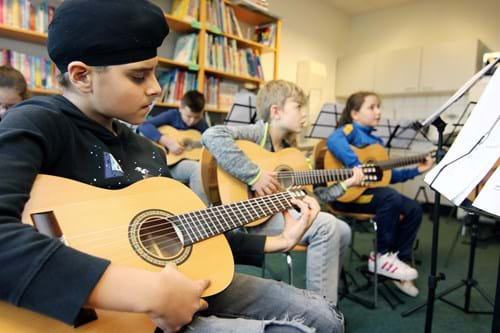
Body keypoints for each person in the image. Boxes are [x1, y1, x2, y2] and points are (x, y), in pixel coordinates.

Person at [0, 1, 345, 332]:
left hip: (176, 284)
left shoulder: (146, 150)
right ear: (81, 75)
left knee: (323, 316)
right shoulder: (36, 123)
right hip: (99, 315)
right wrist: (144, 292)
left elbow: (179, 231)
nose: (154, 88)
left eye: (155, 73)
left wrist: (277, 241)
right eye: (138, 76)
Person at [202, 79, 364, 306]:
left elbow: (315, 199)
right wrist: (254, 176)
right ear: (276, 111)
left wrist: (346, 185)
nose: (304, 114)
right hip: (252, 218)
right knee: (327, 224)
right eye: (298, 107)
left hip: (281, 214)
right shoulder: (255, 134)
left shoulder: (291, 152)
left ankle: (319, 291)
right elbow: (212, 135)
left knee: (344, 229)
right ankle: (323, 309)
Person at [320, 91, 433, 297]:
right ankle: (381, 256)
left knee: (414, 209)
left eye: (379, 107)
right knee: (389, 197)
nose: (378, 112)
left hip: (371, 195)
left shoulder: (377, 143)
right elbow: (334, 139)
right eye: (371, 107)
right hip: (347, 196)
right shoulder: (351, 130)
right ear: (354, 114)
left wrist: (417, 170)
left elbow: (386, 177)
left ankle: (399, 262)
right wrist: (357, 166)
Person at [138, 90, 208, 204]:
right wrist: (166, 141)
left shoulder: (202, 124)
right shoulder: (172, 115)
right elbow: (144, 126)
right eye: (189, 116)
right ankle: (203, 210)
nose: (192, 121)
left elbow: (210, 142)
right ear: (180, 107)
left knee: (200, 167)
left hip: (182, 163)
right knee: (196, 168)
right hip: (164, 163)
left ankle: (202, 208)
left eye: (197, 117)